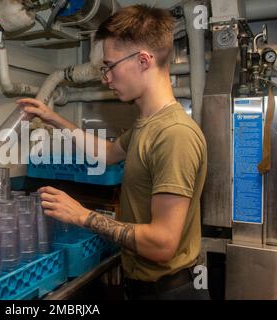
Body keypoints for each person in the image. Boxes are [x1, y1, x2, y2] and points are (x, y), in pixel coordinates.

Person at [18, 4, 209, 300]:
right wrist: (53, 118)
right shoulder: (148, 124)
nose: (106, 78)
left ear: (143, 60)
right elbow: (107, 153)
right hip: (142, 286)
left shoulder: (174, 135)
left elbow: (163, 244)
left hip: (169, 292)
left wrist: (83, 216)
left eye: (110, 66)